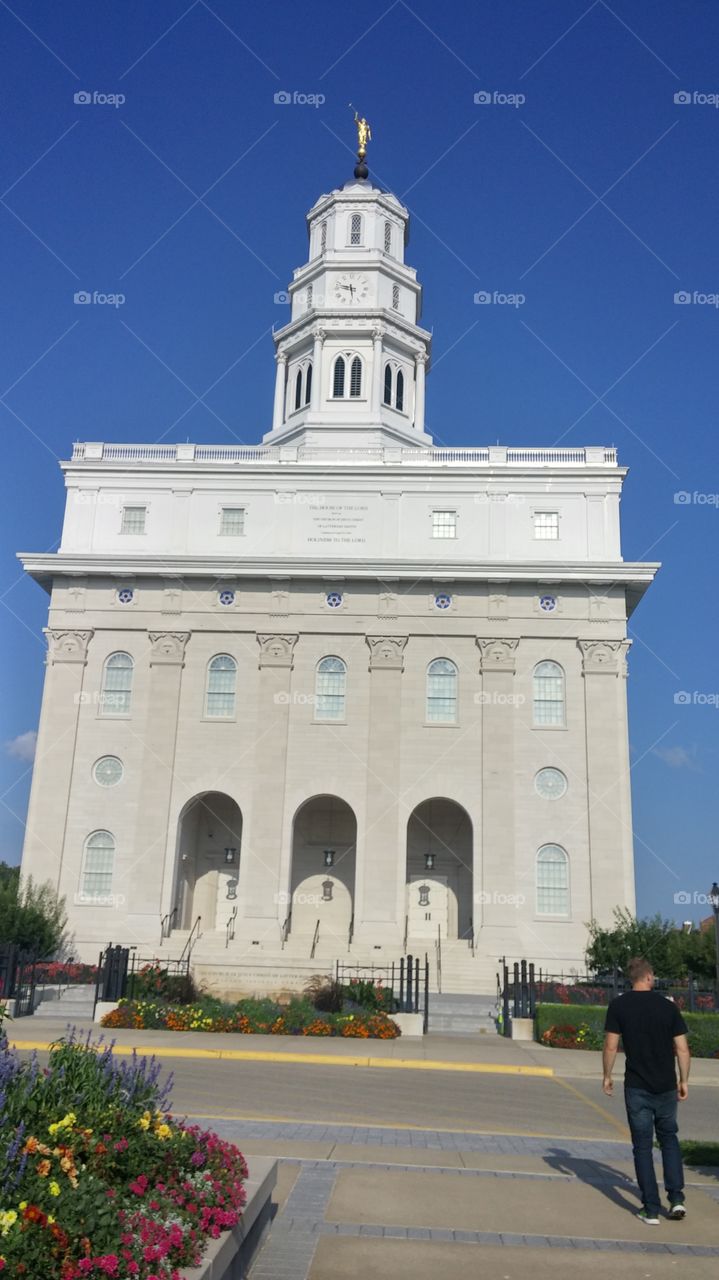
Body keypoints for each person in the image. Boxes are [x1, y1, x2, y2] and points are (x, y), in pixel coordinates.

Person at [602, 956, 691, 1225]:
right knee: (669, 1139)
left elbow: (610, 1046)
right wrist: (684, 1080)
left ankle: (650, 1209)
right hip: (665, 1085)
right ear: (649, 976)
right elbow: (682, 1049)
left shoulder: (619, 1006)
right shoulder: (668, 1007)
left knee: (642, 1146)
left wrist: (607, 1076)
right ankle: (676, 1199)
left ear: (632, 978)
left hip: (637, 1085)